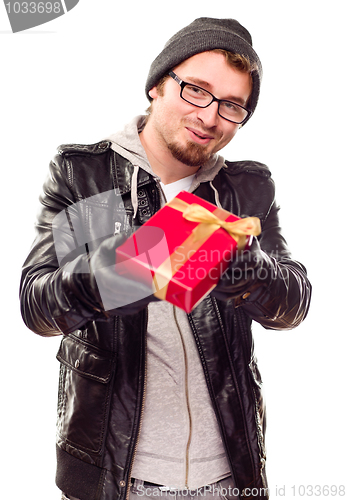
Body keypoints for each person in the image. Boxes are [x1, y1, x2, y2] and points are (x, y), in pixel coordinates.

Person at [20, 17, 311, 500]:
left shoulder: (246, 187)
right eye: (196, 90)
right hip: (114, 473)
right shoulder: (87, 177)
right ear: (157, 84)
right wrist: (129, 266)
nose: (210, 115)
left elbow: (293, 304)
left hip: (228, 474)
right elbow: (39, 307)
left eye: (232, 105)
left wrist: (241, 262)